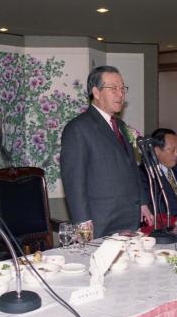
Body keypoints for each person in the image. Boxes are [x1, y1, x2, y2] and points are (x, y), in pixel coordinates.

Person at [60, 65, 153, 238]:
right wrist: (82, 221)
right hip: (100, 220)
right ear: (96, 92)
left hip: (128, 217)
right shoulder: (78, 128)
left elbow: (132, 167)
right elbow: (74, 180)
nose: (120, 94)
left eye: (122, 88)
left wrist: (142, 202)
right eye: (114, 88)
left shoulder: (121, 126)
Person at [139, 128, 177, 217]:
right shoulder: (145, 174)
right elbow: (155, 208)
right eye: (172, 149)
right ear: (156, 151)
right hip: (166, 224)